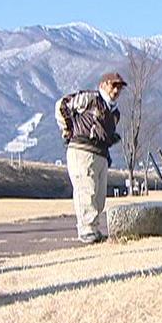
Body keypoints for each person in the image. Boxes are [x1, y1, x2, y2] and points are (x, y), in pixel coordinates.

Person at [54, 72, 127, 244]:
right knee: (86, 190)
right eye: (113, 85)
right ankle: (86, 230)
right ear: (103, 85)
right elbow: (62, 105)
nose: (116, 90)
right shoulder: (90, 99)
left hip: (101, 154)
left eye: (119, 87)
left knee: (99, 196)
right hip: (82, 150)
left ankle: (93, 228)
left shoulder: (115, 114)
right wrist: (68, 130)